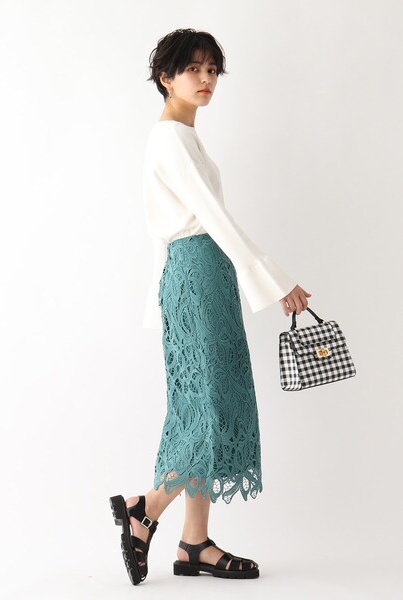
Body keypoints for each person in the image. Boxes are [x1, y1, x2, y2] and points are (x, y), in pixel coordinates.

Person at [110, 28, 311, 585]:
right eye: (193, 69)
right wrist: (275, 281)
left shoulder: (182, 137)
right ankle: (145, 509)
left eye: (212, 70)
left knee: (204, 402)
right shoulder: (171, 139)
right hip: (197, 275)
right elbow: (213, 221)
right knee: (210, 407)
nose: (205, 79)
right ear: (165, 78)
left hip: (203, 276)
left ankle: (194, 543)